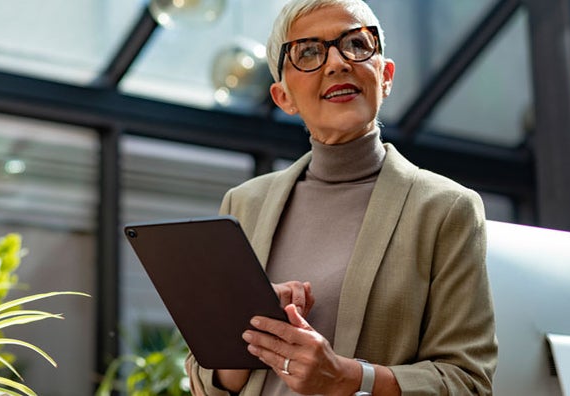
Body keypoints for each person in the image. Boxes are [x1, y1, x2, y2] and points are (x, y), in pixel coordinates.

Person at [184, 0, 497, 395]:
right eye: (309, 52)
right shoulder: (243, 204)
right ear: (283, 98)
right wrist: (249, 337)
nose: (336, 63)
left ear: (385, 75)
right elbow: (207, 378)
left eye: (355, 44)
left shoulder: (445, 209)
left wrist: (349, 378)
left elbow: (468, 383)